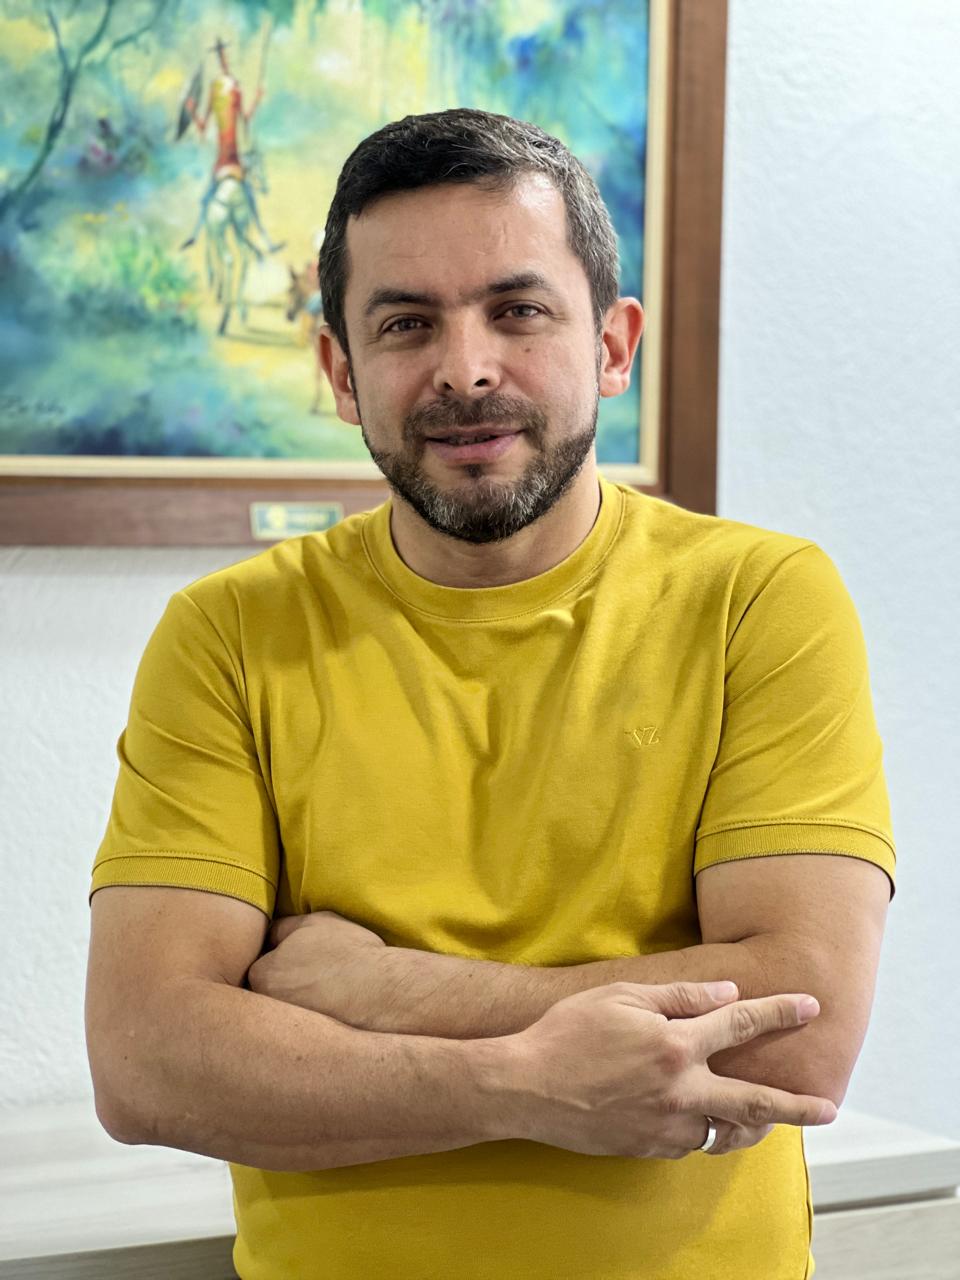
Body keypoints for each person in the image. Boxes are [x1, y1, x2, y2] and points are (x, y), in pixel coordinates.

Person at [86, 108, 895, 1279]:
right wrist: (523, 1080)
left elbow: (796, 1034)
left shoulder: (758, 599)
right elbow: (148, 1058)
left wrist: (385, 988)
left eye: (517, 310)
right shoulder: (229, 634)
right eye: (406, 323)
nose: (465, 368)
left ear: (612, 344)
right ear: (340, 370)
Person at [179, 36, 283, 254]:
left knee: (246, 196)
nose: (224, 59)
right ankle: (195, 234)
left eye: (224, 54)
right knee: (210, 196)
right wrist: (192, 112)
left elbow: (244, 119)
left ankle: (265, 239)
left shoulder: (236, 87)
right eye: (220, 55)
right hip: (224, 157)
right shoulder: (215, 89)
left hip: (235, 156)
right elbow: (203, 126)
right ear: (217, 59)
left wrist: (257, 99)